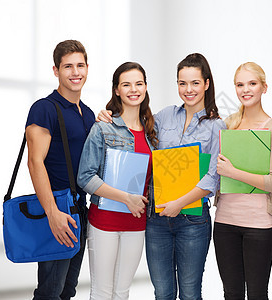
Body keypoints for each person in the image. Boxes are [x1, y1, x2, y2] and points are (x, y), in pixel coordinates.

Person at [97, 53, 226, 299]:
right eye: (182, 83)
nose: (188, 89)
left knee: (189, 293)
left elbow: (213, 177)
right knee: (163, 293)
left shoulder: (216, 126)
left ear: (207, 84)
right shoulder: (164, 116)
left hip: (193, 220)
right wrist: (106, 116)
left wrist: (180, 203)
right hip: (156, 218)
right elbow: (133, 132)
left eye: (195, 83)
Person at [77, 62, 157, 300]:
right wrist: (126, 198)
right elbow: (85, 177)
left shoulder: (154, 132)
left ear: (145, 87)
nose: (133, 89)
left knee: (122, 293)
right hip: (105, 222)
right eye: (126, 84)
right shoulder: (103, 127)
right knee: (102, 293)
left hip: (137, 223)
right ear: (117, 90)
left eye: (139, 83)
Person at [25, 40, 95, 300]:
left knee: (67, 290)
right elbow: (35, 162)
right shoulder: (45, 109)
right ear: (56, 71)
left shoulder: (87, 114)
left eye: (80, 65)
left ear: (87, 68)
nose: (75, 72)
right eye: (68, 66)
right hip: (57, 209)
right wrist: (52, 212)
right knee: (49, 292)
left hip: (80, 211)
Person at [214, 62, 272, 300]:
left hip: (259, 226)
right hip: (224, 223)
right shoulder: (226, 125)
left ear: (264, 87)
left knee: (256, 294)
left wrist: (233, 172)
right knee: (231, 294)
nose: (246, 90)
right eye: (240, 84)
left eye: (252, 84)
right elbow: (210, 170)